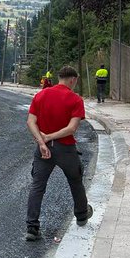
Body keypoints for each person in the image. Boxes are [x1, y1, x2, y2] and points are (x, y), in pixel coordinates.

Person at [25, 65, 93, 240]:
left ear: (58, 77)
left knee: (37, 186)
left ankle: (32, 227)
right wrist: (50, 137)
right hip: (66, 149)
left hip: (43, 149)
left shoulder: (41, 95)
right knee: (75, 181)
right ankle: (82, 215)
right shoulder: (75, 99)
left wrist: (42, 142)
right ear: (72, 80)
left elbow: (31, 122)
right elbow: (72, 128)